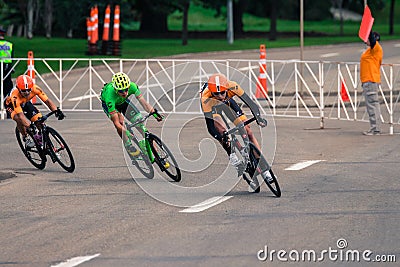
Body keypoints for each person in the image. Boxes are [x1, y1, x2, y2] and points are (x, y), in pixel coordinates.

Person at [200, 73, 269, 189]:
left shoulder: (233, 86)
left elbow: (251, 103)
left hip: (229, 103)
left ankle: (264, 169)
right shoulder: (205, 98)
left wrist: (258, 118)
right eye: (216, 94)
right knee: (222, 131)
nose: (220, 96)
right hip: (213, 108)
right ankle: (233, 156)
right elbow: (211, 128)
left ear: (226, 88)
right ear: (211, 92)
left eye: (223, 92)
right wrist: (222, 137)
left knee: (248, 131)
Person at [100, 72, 164, 160]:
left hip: (123, 102)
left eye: (126, 89)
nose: (125, 93)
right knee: (121, 122)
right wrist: (125, 132)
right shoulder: (109, 97)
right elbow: (116, 123)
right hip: (111, 105)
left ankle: (155, 151)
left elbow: (144, 104)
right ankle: (129, 146)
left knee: (139, 122)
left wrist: (155, 114)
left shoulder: (132, 86)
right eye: (121, 91)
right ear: (115, 89)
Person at [4, 75, 65, 148]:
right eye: (23, 90)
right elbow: (21, 116)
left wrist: (56, 111)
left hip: (25, 103)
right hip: (11, 105)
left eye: (28, 90)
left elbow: (48, 101)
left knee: (39, 120)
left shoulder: (35, 88)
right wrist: (30, 126)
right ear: (18, 89)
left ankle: (46, 144)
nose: (26, 93)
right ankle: (25, 137)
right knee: (18, 118)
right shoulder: (14, 96)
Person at [360, 31, 383, 135]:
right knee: (371, 105)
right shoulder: (370, 50)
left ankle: (375, 129)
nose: (366, 41)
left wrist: (368, 29)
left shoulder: (376, 48)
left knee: (373, 105)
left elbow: (372, 41)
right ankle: (374, 128)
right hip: (367, 80)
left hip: (370, 80)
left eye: (368, 39)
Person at [0, 27, 14, 99]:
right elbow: (12, 57)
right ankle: (7, 103)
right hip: (7, 67)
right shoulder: (9, 44)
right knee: (7, 86)